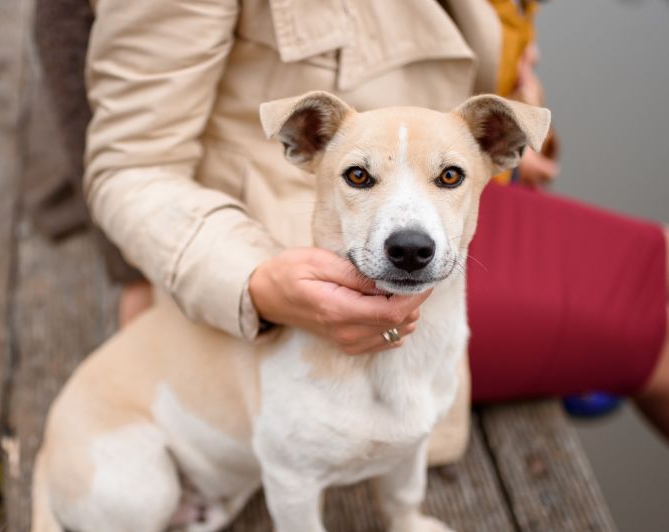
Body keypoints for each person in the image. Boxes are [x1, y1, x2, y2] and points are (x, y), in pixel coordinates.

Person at [33, 0, 669, 457]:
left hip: (445, 198)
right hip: (312, 254)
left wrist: (501, 99)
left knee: (655, 260)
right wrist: (247, 282)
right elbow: (130, 160)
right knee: (655, 331)